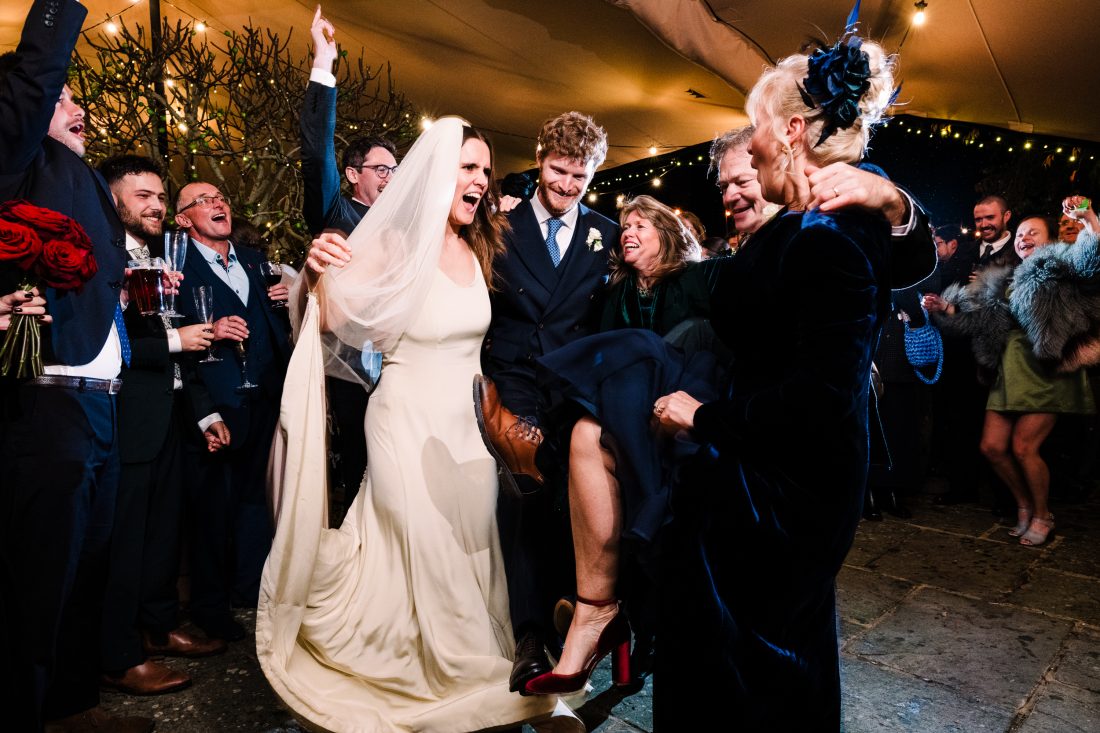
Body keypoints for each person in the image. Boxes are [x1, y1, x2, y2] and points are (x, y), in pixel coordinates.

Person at [518, 28, 904, 729]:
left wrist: (702, 419)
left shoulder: (829, 235)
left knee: (743, 675)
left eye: (755, 131)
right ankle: (603, 610)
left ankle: (603, 613)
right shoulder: (806, 227)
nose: (747, 148)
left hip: (779, 495)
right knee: (758, 665)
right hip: (763, 477)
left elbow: (818, 399)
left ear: (790, 131)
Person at [256, 118, 580, 732]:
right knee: (423, 541)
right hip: (403, 419)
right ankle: (463, 677)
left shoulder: (477, 245)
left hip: (467, 428)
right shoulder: (393, 245)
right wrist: (313, 270)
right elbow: (320, 319)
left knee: (469, 548)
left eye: (485, 169)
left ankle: (479, 659)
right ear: (436, 173)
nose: (480, 180)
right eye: (467, 167)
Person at [0, 3, 152, 731]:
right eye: (63, 94)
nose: (75, 101)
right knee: (36, 580)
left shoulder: (82, 176)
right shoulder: (19, 156)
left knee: (87, 566)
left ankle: (71, 706)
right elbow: (32, 78)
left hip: (103, 403)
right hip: (47, 399)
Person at [479, 111, 620, 693]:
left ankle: (573, 619)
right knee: (524, 496)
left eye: (579, 178)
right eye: (558, 171)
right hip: (513, 380)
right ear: (540, 159)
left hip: (575, 390)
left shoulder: (607, 235)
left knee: (576, 508)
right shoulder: (500, 224)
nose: (565, 186)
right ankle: (528, 637)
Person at [96, 155, 230, 697]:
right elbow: (112, 347)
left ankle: (156, 628)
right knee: (124, 543)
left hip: (170, 417)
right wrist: (177, 340)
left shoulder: (160, 257)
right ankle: (117, 656)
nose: (154, 205)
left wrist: (204, 411)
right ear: (113, 201)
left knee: (160, 537)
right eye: (142, 196)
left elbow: (183, 338)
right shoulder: (105, 260)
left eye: (158, 195)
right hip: (128, 418)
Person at [924, 215, 1097, 546]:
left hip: (1045, 372)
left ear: (1050, 241)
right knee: (991, 446)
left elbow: (1090, 260)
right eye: (1020, 233)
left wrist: (1087, 217)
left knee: (1024, 447)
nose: (1024, 237)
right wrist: (945, 306)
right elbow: (977, 319)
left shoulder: (1061, 272)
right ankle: (1024, 505)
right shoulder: (1005, 278)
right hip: (1009, 371)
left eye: (1034, 232)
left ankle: (1043, 514)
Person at [174, 182, 291, 641]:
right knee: (211, 511)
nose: (218, 203)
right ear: (183, 219)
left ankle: (250, 589)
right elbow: (177, 348)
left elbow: (274, 327)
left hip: (265, 398)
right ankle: (209, 607)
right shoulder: (175, 269)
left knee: (254, 503)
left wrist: (286, 301)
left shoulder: (254, 260)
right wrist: (203, 412)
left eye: (220, 196)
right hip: (216, 405)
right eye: (203, 201)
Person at [301, 6, 393, 522]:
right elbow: (316, 154)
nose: (391, 178)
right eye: (382, 169)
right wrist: (323, 67)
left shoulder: (404, 228)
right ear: (355, 174)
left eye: (396, 170)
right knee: (358, 473)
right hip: (350, 370)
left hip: (399, 369)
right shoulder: (337, 210)